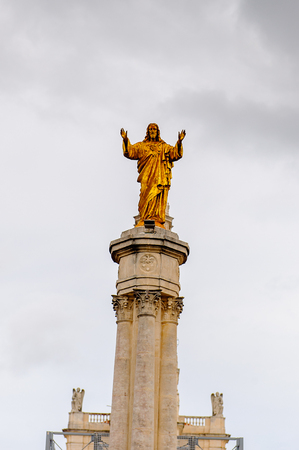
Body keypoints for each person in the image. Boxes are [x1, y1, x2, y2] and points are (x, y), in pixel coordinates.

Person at [120, 123, 186, 227]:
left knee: (157, 195)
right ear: (147, 132)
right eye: (150, 130)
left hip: (160, 176)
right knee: (145, 195)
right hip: (146, 176)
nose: (152, 131)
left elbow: (175, 154)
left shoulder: (163, 146)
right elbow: (130, 152)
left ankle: (156, 218)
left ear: (157, 132)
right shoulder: (142, 146)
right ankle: (144, 217)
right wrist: (125, 140)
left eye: (154, 129)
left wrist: (179, 142)